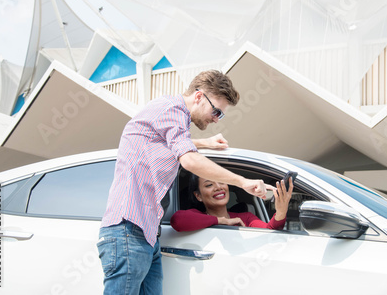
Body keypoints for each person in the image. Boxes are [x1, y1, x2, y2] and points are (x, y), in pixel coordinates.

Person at [97, 69, 274, 295]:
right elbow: (188, 160)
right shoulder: (172, 108)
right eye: (216, 111)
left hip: (146, 235)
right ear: (199, 97)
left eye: (221, 115)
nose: (216, 118)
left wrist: (205, 143)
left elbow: (166, 142)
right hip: (128, 230)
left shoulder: (170, 118)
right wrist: (242, 181)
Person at [171, 171, 293, 232]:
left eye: (222, 182)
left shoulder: (245, 217)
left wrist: (281, 211)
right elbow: (177, 220)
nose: (219, 187)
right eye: (209, 185)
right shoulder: (197, 216)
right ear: (198, 196)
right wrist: (223, 221)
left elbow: (269, 232)